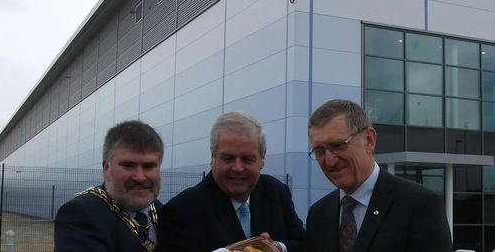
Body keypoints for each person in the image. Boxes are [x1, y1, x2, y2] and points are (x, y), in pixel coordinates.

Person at [305, 99, 453, 252]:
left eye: (338, 146)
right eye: (319, 151)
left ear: (369, 140)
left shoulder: (419, 206)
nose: (329, 161)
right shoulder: (319, 213)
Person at [158, 111, 306, 252]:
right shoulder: (181, 211)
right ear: (212, 156)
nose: (237, 168)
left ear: (263, 158)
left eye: (247, 159)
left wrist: (278, 248)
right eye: (228, 158)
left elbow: (305, 245)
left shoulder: (276, 192)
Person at [54, 120, 164, 252]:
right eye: (128, 165)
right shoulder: (80, 216)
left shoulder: (163, 213)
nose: (140, 177)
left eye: (149, 166)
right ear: (106, 168)